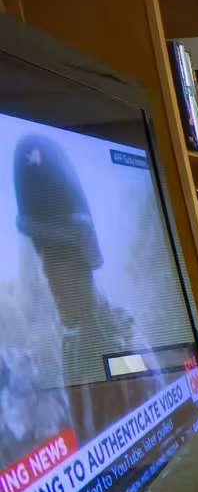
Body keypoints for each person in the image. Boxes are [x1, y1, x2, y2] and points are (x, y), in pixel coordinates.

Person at [15, 132, 136, 386]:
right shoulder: (73, 348)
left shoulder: (124, 340)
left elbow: (140, 397)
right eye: (42, 252)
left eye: (59, 253)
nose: (47, 272)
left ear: (85, 260)